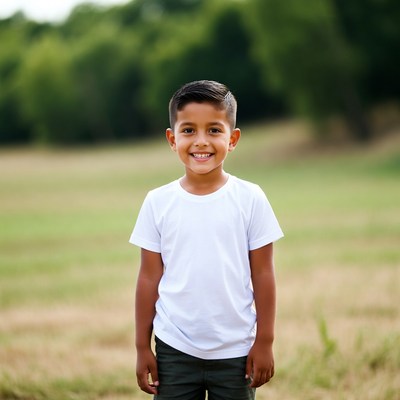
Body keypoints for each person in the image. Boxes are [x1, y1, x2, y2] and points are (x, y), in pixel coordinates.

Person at [130, 80, 284, 400]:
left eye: (214, 130)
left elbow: (264, 273)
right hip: (175, 348)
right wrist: (142, 346)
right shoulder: (157, 202)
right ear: (172, 139)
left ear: (233, 138)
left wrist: (265, 341)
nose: (201, 141)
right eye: (188, 130)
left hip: (237, 351)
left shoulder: (250, 198)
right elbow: (148, 277)